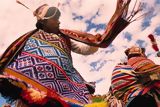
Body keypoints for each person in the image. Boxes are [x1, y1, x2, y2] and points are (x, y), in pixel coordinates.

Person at [0, 0, 142, 106]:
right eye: (54, 18)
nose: (58, 21)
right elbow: (14, 56)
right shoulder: (30, 37)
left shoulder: (65, 38)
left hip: (64, 87)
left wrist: (95, 42)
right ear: (43, 21)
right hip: (32, 87)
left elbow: (84, 49)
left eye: (58, 17)